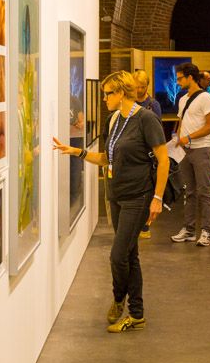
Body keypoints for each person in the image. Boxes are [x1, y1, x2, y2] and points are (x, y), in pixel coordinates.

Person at [53, 70, 169, 333]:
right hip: (115, 195)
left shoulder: (146, 119)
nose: (104, 98)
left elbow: (163, 160)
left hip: (138, 197)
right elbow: (107, 158)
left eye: (107, 94)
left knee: (118, 256)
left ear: (121, 93)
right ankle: (136, 314)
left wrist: (157, 198)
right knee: (130, 254)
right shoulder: (114, 119)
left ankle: (119, 299)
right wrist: (77, 152)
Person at [171, 63, 210, 247]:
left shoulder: (206, 98)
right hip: (185, 151)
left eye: (180, 78)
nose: (178, 81)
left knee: (204, 192)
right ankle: (189, 230)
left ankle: (207, 231)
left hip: (201, 149)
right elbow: (182, 121)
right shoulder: (182, 100)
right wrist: (178, 138)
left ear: (190, 77)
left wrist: (188, 137)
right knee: (188, 192)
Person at [133, 69, 162, 239]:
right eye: (136, 87)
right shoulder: (129, 102)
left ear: (147, 86)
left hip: (148, 153)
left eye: (141, 87)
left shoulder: (153, 105)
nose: (138, 90)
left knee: (147, 189)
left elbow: (157, 130)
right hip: (133, 151)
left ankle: (145, 225)